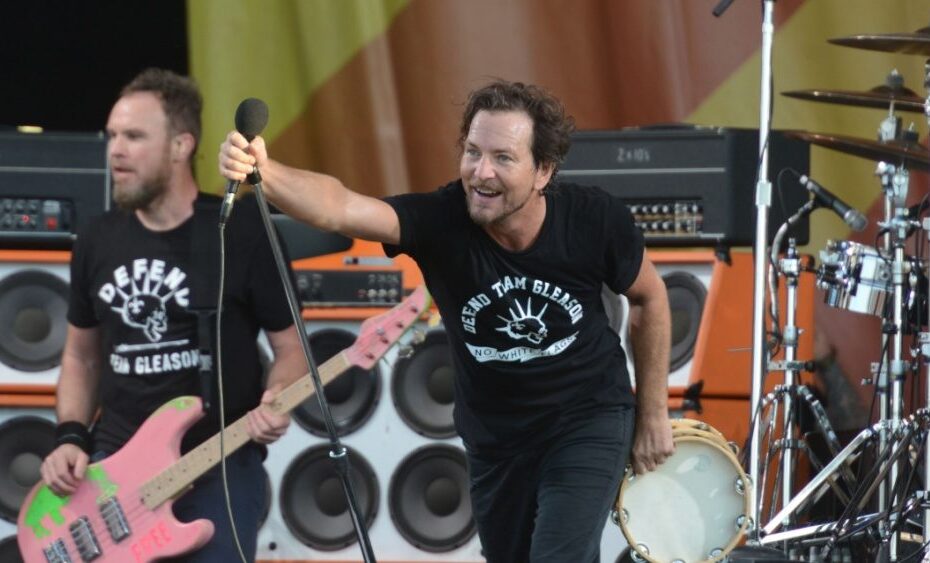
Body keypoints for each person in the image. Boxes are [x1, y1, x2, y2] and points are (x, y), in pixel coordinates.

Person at [219, 80, 674, 562]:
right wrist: (265, 170)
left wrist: (653, 413)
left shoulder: (592, 218)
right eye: (473, 152)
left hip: (586, 419)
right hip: (496, 439)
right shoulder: (441, 219)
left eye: (503, 157)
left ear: (543, 171)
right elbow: (340, 207)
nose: (481, 172)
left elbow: (650, 298)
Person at [39, 68, 305, 562]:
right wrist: (71, 436)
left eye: (134, 137)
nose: (115, 151)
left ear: (181, 146)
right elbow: (81, 357)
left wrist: (277, 400)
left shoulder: (238, 231)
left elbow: (291, 347)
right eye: (112, 136)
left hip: (217, 461)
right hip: (114, 470)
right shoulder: (97, 238)